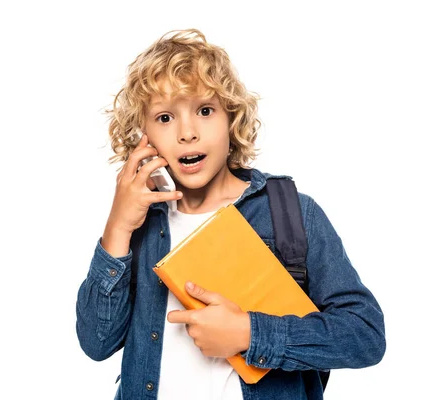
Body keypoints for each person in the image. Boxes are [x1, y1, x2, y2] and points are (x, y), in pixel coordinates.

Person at [75, 28, 385, 400]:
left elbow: (365, 334)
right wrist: (118, 227)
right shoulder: (140, 224)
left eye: (204, 110)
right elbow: (96, 342)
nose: (187, 133)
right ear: (143, 136)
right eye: (164, 118)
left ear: (231, 119)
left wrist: (249, 334)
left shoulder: (290, 213)